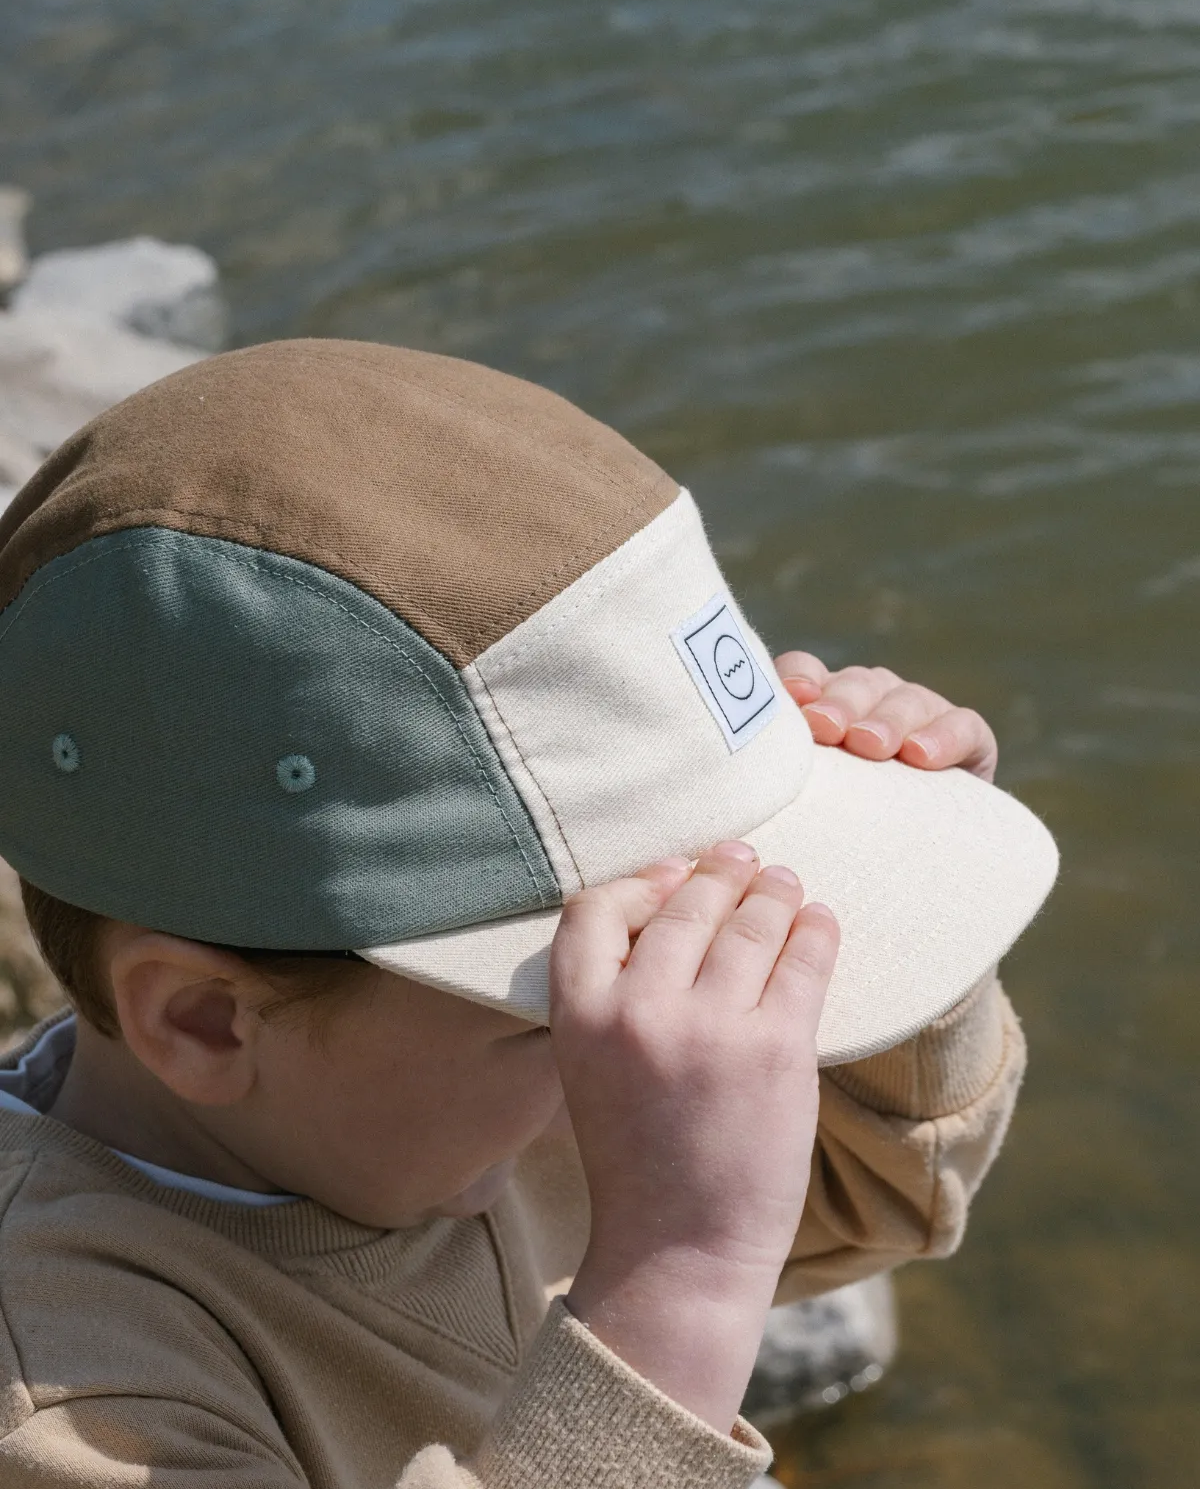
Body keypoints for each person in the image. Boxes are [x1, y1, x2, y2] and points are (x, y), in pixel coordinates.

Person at [0, 340, 1057, 1489]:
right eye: (568, 1009)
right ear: (207, 1021)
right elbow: (737, 1247)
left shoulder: (416, 1111)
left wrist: (887, 896)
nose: (637, 1049)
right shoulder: (68, 1388)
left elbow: (878, 1208)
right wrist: (680, 1274)